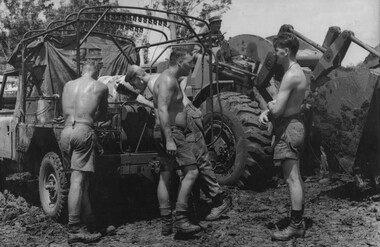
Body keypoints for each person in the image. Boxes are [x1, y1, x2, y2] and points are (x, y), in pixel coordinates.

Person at [119, 64, 231, 222]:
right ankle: (198, 201)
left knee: (198, 160)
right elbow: (182, 80)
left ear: (137, 78)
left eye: (135, 84)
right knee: (193, 163)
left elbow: (161, 109)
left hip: (188, 117)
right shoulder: (161, 76)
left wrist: (142, 101)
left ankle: (219, 200)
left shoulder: (153, 83)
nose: (137, 87)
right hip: (187, 112)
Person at [259, 32, 309, 241]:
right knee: (295, 177)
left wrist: (268, 108)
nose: (275, 55)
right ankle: (298, 220)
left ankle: (295, 225)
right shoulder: (298, 71)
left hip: (289, 128)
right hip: (295, 125)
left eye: (277, 50)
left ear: (286, 51)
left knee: (291, 179)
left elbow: (278, 110)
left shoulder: (290, 75)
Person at [152, 48, 202, 235]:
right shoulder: (167, 80)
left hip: (165, 131)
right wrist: (171, 139)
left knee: (166, 174)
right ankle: (181, 218)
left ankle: (167, 222)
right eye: (189, 62)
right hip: (171, 131)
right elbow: (163, 110)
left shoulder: (168, 78)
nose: (191, 66)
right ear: (179, 62)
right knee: (192, 172)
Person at [60, 61, 109, 243]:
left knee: (81, 181)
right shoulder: (100, 86)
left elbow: (64, 110)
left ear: (82, 70)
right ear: (97, 71)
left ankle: (89, 222)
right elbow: (103, 114)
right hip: (83, 130)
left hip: (65, 132)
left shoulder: (68, 85)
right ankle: (74, 228)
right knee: (78, 181)